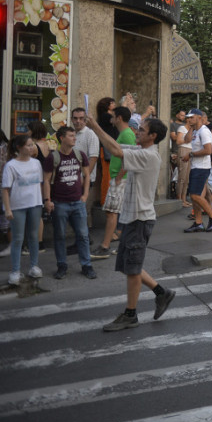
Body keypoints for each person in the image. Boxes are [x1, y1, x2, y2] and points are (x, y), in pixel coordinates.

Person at [86, 115, 177, 332]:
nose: (137, 132)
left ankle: (131, 314)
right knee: (130, 266)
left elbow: (116, 151)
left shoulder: (148, 155)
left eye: (142, 130)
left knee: (133, 269)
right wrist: (97, 130)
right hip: (132, 218)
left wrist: (95, 126)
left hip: (139, 220)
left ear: (152, 136)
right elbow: (115, 146)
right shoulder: (140, 150)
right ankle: (161, 293)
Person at [43, 126, 96, 280]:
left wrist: (85, 195)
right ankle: (62, 265)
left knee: (83, 235)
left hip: (77, 202)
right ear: (62, 138)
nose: (74, 138)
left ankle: (86, 265)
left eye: (74, 135)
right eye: (71, 135)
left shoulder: (80, 155)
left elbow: (87, 175)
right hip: (60, 203)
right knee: (60, 235)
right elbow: (46, 180)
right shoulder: (53, 158)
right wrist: (47, 200)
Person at [91, 106, 135, 259]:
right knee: (115, 213)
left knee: (111, 213)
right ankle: (121, 245)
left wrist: (119, 176)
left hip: (120, 179)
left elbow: (130, 158)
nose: (111, 118)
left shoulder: (127, 134)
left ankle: (105, 247)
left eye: (113, 115)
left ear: (119, 118)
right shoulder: (125, 133)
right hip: (119, 178)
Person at [2, 135, 43, 285]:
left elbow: (39, 183)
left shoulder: (36, 163)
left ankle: (34, 266)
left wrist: (42, 200)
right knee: (18, 239)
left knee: (33, 236)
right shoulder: (11, 166)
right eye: (28, 145)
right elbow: (5, 189)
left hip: (35, 204)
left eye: (32, 144)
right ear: (19, 147)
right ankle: (15, 271)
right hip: (17, 206)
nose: (32, 147)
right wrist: (7, 209)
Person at [182, 108, 212, 233]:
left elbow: (208, 150)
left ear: (199, 118)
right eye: (188, 118)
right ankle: (198, 223)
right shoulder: (196, 130)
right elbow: (186, 140)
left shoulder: (204, 131)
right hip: (196, 166)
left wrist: (191, 154)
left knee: (195, 195)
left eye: (191, 117)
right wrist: (191, 128)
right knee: (194, 197)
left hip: (202, 167)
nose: (189, 120)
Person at [71, 108, 100, 229]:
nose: (78, 121)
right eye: (75, 118)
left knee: (83, 211)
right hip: (73, 178)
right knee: (76, 212)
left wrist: (85, 177)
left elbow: (93, 158)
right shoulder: (72, 133)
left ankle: (86, 236)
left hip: (85, 180)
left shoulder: (90, 134)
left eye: (81, 118)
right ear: (72, 119)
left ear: (85, 120)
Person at [27, 121, 50, 252]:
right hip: (43, 181)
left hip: (36, 182)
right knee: (37, 212)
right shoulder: (46, 145)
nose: (27, 132)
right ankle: (38, 243)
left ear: (33, 131)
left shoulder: (35, 147)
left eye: (28, 130)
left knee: (35, 214)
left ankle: (38, 243)